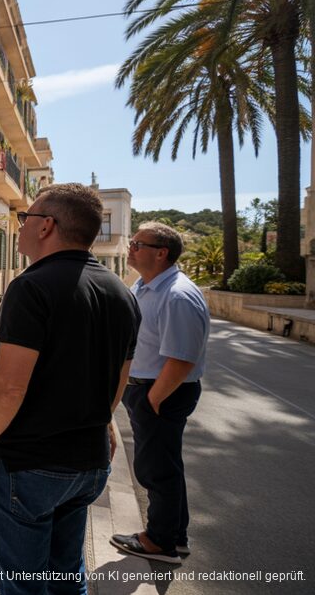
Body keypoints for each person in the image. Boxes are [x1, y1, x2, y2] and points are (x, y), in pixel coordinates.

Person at [0, 183, 141, 593]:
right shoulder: (121, 293)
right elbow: (119, 379)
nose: (20, 226)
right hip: (88, 464)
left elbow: (7, 388)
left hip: (30, 466)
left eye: (27, 218)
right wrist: (101, 423)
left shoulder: (31, 287)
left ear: (47, 226)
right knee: (66, 574)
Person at [110, 222, 209, 564]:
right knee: (165, 465)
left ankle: (159, 541)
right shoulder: (146, 286)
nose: (130, 247)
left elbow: (182, 359)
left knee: (155, 469)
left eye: (138, 243)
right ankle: (174, 535)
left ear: (161, 252)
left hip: (161, 392)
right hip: (150, 389)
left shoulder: (177, 295)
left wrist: (152, 400)